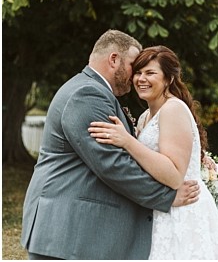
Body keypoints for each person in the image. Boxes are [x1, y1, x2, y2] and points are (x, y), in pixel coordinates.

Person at [21, 30, 200, 260]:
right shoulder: (87, 94)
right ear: (114, 59)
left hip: (71, 230)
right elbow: (112, 163)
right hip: (66, 230)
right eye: (134, 67)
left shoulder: (91, 90)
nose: (136, 76)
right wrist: (165, 196)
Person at [88, 45, 218, 260]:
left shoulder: (173, 109)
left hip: (181, 213)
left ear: (168, 79)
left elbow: (175, 176)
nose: (141, 79)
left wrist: (127, 141)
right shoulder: (145, 117)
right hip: (159, 209)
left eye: (150, 73)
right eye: (138, 72)